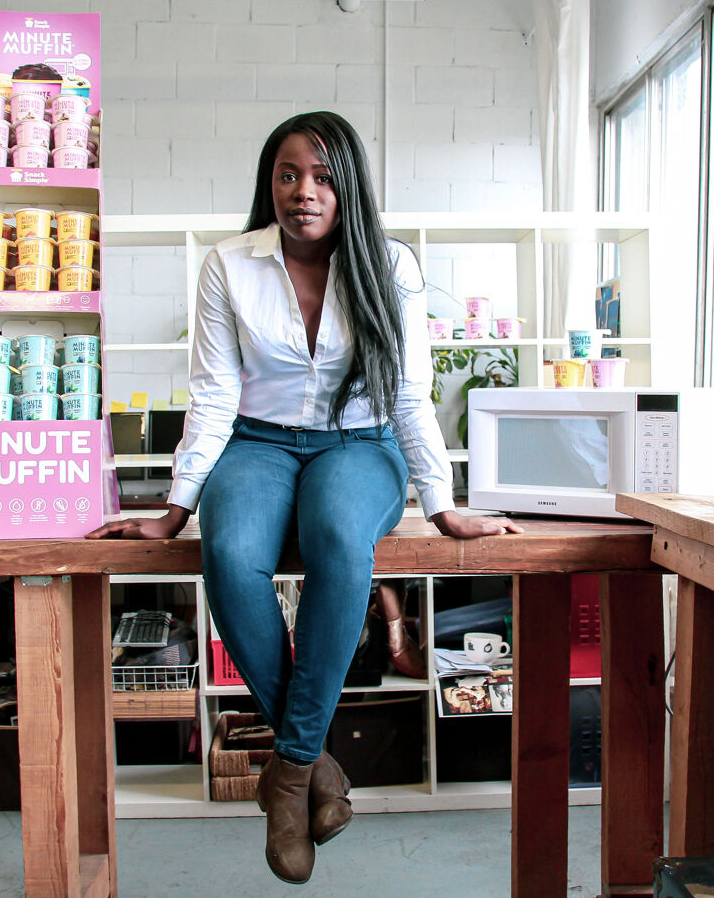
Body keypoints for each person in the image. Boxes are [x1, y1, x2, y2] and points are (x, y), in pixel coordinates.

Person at [87, 111, 521, 885]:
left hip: (361, 442)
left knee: (335, 538)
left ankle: (286, 777)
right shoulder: (229, 264)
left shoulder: (392, 267)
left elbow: (412, 392)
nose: (303, 191)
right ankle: (317, 761)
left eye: (321, 175)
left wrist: (442, 499)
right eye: (287, 175)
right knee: (228, 552)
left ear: (348, 183)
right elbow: (215, 392)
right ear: (269, 184)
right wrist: (176, 505)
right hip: (256, 441)